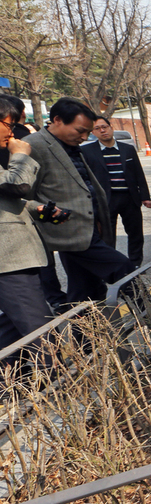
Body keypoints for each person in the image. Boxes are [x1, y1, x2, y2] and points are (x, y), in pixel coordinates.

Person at [25, 98, 136, 303]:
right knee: (123, 269)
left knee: (85, 292)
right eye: (80, 131)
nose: (85, 137)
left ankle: (85, 335)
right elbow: (25, 196)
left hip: (89, 227)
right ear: (57, 120)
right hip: (68, 233)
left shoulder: (70, 144)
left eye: (88, 132)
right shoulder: (34, 146)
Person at [0, 96, 50, 361]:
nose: (11, 132)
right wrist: (20, 155)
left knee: (13, 330)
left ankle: (11, 388)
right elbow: (18, 184)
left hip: (14, 258)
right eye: (8, 124)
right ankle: (57, 393)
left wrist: (35, 208)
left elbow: (7, 198)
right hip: (8, 262)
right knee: (42, 336)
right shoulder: (13, 152)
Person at [82, 116, 151, 266]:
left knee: (135, 234)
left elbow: (138, 173)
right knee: (107, 236)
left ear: (111, 127)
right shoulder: (86, 151)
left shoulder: (127, 149)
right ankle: (110, 266)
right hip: (105, 200)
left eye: (104, 127)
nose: (102, 131)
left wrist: (145, 196)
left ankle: (135, 263)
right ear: (93, 132)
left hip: (129, 198)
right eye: (97, 129)